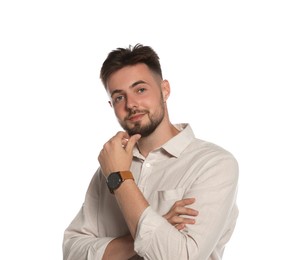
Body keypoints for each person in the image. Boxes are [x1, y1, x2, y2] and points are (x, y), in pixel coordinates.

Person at [63, 44, 239, 260]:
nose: (131, 104)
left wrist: (120, 178)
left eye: (140, 90)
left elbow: (180, 256)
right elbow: (72, 251)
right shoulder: (108, 169)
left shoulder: (214, 164)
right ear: (111, 105)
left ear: (164, 90)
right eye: (119, 97)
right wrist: (147, 232)